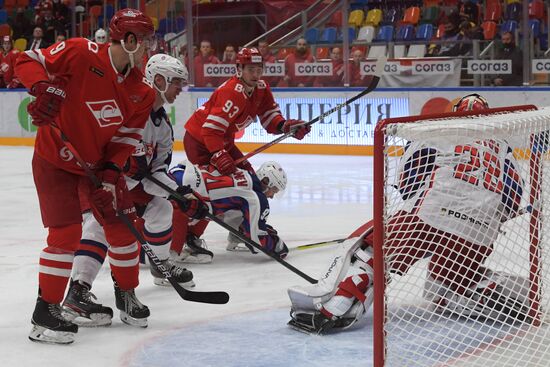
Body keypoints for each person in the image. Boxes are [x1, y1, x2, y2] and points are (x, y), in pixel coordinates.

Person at [287, 94, 531, 334]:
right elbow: (514, 196)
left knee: (373, 246)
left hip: (431, 215)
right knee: (442, 285)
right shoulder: (503, 147)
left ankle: (339, 305)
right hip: (479, 234)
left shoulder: (438, 129)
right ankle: (490, 288)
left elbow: (410, 175)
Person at [16, 8, 156, 344]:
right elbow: (23, 60)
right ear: (131, 40)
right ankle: (45, 312)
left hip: (96, 167)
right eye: (147, 39)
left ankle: (126, 294)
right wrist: (42, 88)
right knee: (66, 235)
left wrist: (109, 175)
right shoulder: (79, 52)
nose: (151, 45)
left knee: (123, 227)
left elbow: (126, 137)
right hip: (55, 161)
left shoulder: (143, 92)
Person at [62, 53, 206, 328]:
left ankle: (160, 265)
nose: (180, 89)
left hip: (128, 188)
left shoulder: (162, 125)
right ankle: (77, 292)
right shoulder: (125, 106)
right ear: (159, 80)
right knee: (99, 226)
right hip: (98, 182)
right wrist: (120, 163)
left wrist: (181, 194)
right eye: (176, 82)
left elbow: (155, 175)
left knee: (162, 208)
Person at [177, 46, 311, 260]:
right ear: (239, 69)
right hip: (200, 142)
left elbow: (270, 119)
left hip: (222, 141)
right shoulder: (232, 92)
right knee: (212, 188)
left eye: (259, 69)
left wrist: (286, 126)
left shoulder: (261, 88)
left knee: (251, 182)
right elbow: (209, 130)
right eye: (251, 69)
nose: (256, 74)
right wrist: (218, 155)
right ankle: (190, 236)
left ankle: (241, 230)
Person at [169, 160, 289, 263]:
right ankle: (172, 252)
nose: (272, 196)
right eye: (274, 190)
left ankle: (192, 236)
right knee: (205, 206)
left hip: (177, 174)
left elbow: (230, 211)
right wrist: (276, 245)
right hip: (183, 199)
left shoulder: (244, 172)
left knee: (215, 206)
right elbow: (256, 242)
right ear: (266, 181)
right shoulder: (256, 198)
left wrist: (258, 228)